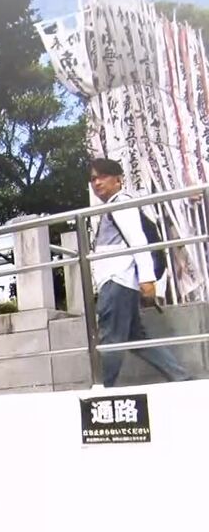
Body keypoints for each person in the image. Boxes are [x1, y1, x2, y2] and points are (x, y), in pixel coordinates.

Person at [88, 157, 189, 387]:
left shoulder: (120, 203)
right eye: (93, 179)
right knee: (137, 338)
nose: (97, 182)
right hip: (120, 282)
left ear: (118, 180)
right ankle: (182, 377)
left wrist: (147, 280)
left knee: (110, 339)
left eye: (103, 176)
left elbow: (138, 241)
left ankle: (103, 389)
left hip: (117, 282)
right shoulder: (112, 206)